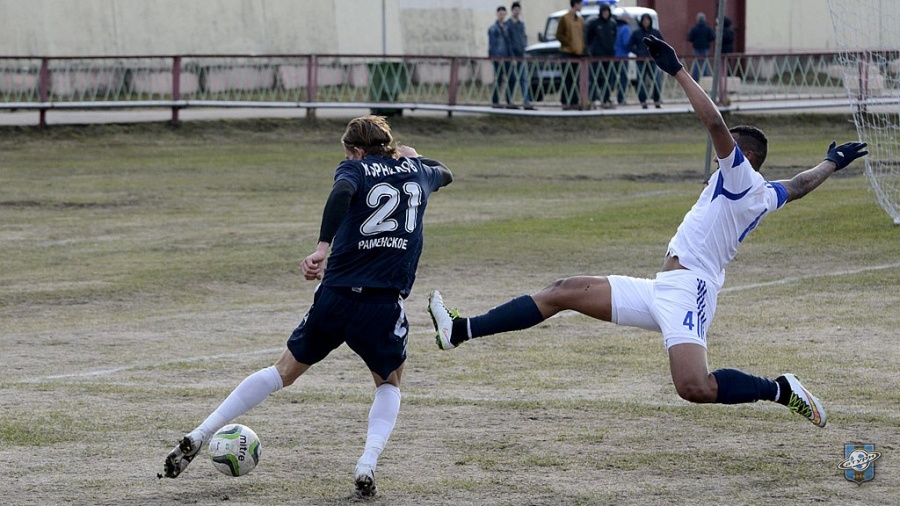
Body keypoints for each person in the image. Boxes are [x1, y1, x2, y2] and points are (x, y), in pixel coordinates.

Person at [428, 36, 868, 431]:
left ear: (746, 156)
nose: (719, 154)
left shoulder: (741, 178)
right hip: (661, 288)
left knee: (694, 386)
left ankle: (780, 389)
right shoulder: (762, 192)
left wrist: (677, 70)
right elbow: (799, 185)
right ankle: (461, 330)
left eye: (728, 151)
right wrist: (832, 163)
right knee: (563, 290)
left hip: (690, 290)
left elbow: (716, 125)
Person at [162, 115, 453, 499]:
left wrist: (321, 248)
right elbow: (445, 172)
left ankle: (200, 433)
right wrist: (414, 158)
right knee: (388, 382)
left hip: (335, 296)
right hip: (381, 303)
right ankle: (366, 463)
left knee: (282, 371)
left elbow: (341, 193)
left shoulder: (355, 169)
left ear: (356, 150)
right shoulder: (416, 170)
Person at [627, 13, 664, 109]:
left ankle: (657, 101)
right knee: (640, 82)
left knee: (657, 81)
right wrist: (638, 52)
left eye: (647, 20)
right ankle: (643, 102)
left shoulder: (655, 33)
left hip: (653, 60)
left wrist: (656, 52)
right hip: (640, 60)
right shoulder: (637, 33)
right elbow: (630, 45)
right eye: (644, 20)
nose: (645, 22)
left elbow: (662, 44)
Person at [585, 2, 618, 109]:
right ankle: (593, 98)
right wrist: (590, 49)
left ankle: (606, 98)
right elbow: (588, 38)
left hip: (609, 55)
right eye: (603, 11)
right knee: (595, 77)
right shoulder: (595, 23)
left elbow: (614, 37)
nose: (605, 13)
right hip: (597, 56)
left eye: (607, 11)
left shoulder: (612, 24)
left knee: (608, 78)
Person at [556, 0, 585, 110]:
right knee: (567, 78)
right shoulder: (564, 18)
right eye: (580, 4)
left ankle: (574, 101)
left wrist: (582, 47)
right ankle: (565, 101)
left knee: (576, 79)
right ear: (575, 4)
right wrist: (569, 43)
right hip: (567, 52)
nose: (581, 6)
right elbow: (559, 35)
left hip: (577, 53)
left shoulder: (580, 20)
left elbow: (581, 35)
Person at [506, 1, 535, 110]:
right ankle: (509, 101)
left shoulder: (521, 24)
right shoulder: (508, 24)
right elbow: (508, 41)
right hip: (512, 56)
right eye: (515, 10)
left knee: (524, 79)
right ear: (512, 10)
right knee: (512, 79)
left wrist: (525, 50)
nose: (517, 12)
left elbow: (523, 37)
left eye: (518, 10)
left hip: (521, 55)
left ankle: (526, 101)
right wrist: (511, 56)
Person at [488, 6, 514, 109]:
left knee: (512, 78)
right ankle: (495, 102)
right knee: (498, 79)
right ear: (497, 14)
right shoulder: (493, 28)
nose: (502, 16)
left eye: (503, 14)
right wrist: (494, 56)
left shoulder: (507, 27)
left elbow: (509, 43)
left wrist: (511, 56)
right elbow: (492, 44)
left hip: (507, 57)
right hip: (498, 58)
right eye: (500, 14)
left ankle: (509, 101)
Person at [688, 12, 716, 81]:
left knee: (696, 63)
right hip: (705, 47)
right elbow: (712, 37)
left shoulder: (694, 28)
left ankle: (695, 77)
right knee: (705, 62)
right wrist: (707, 41)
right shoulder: (708, 28)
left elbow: (690, 37)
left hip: (696, 47)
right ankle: (704, 77)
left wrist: (695, 41)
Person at [613, 11, 632, 106]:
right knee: (623, 78)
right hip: (623, 56)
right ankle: (621, 98)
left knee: (612, 77)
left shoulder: (616, 27)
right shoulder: (626, 28)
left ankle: (606, 97)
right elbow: (626, 42)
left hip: (614, 56)